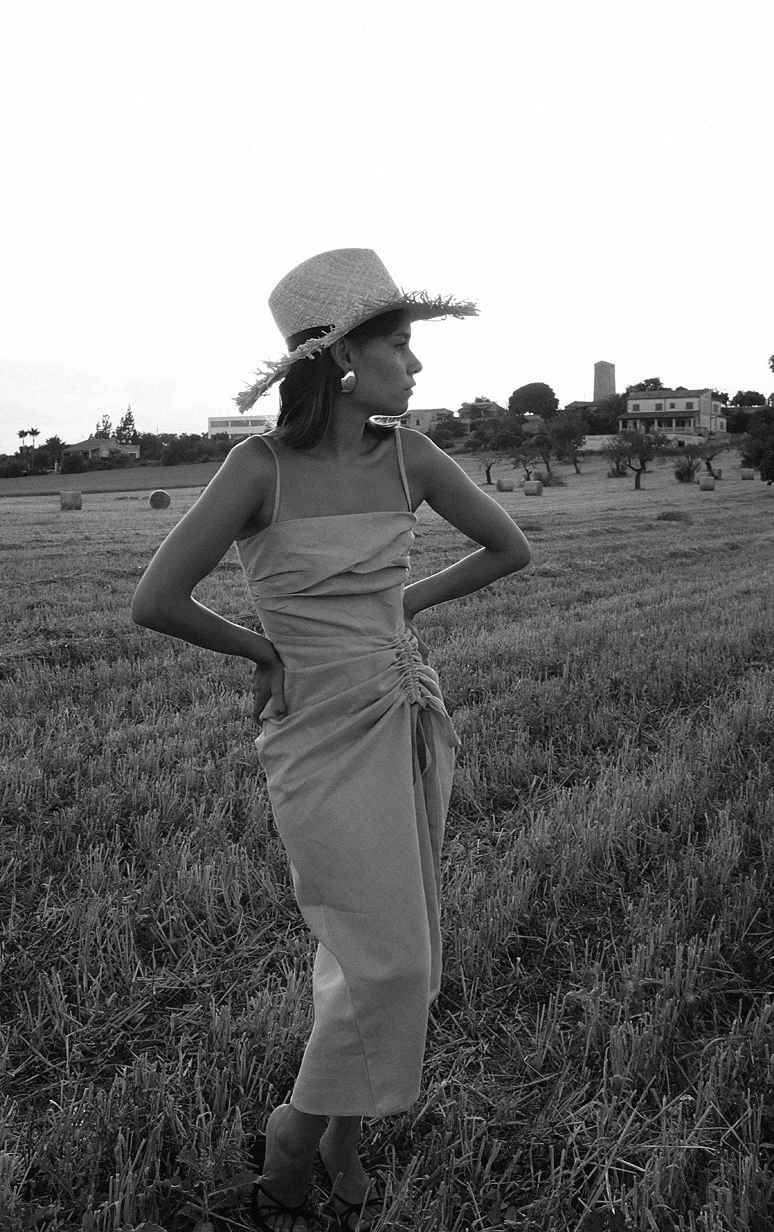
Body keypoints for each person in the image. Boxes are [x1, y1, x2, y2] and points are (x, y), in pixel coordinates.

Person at [131, 248, 531, 1232]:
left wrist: (402, 606)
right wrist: (263, 651)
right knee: (383, 960)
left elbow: (510, 547)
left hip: (401, 712)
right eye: (400, 345)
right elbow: (157, 599)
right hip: (314, 730)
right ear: (345, 357)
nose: (415, 365)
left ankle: (346, 1134)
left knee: (393, 955)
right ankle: (297, 1136)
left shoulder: (413, 457)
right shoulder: (257, 466)